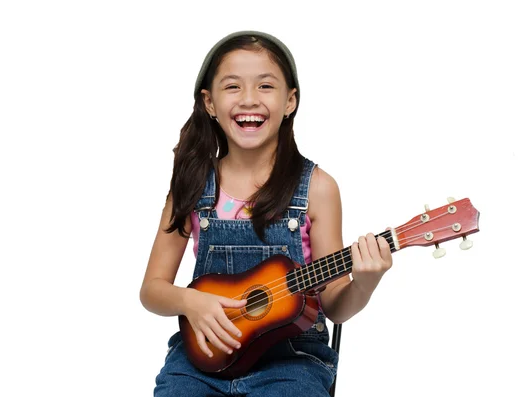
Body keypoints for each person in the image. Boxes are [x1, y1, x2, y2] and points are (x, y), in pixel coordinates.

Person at [140, 30, 393, 396]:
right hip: (204, 356)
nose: (248, 100)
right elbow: (152, 289)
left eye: (265, 86)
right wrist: (189, 300)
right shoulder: (192, 185)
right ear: (209, 103)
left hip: (292, 361)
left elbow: (335, 305)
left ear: (290, 101)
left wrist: (365, 282)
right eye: (232, 87)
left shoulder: (317, 188)